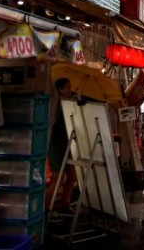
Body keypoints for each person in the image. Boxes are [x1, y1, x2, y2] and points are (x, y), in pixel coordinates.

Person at [47, 77, 78, 210]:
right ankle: (46, 208)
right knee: (57, 178)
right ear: (59, 89)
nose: (70, 90)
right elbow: (60, 126)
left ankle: (65, 203)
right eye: (67, 87)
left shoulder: (67, 103)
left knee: (72, 175)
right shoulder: (56, 105)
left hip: (67, 143)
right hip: (56, 144)